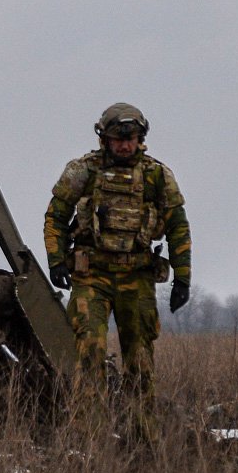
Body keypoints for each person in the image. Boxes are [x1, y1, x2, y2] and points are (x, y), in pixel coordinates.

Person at [44, 103, 192, 443]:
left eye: (132, 139)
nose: (125, 146)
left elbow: (178, 227)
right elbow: (55, 218)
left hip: (137, 277)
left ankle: (145, 441)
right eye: (118, 139)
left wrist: (183, 277)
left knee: (140, 360)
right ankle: (89, 441)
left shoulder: (156, 175)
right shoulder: (83, 171)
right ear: (105, 138)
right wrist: (55, 261)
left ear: (141, 138)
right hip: (91, 276)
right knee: (90, 353)